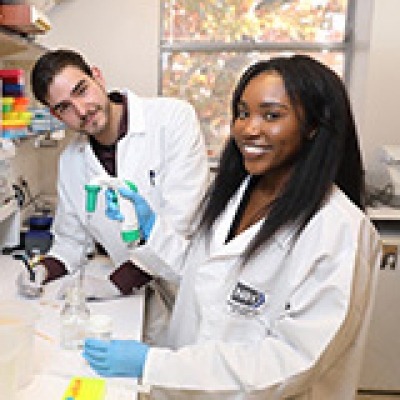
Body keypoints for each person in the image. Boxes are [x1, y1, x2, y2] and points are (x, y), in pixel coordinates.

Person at [83, 55, 381, 399]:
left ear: (314, 125)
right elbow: (205, 278)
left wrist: (154, 364)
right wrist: (151, 234)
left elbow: (294, 361)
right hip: (191, 384)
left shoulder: (337, 229)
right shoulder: (237, 192)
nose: (249, 129)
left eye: (271, 115)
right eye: (242, 113)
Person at [17, 49, 210, 341]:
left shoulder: (172, 119)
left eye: (82, 91)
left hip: (195, 290)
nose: (81, 111)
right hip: (140, 302)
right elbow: (71, 242)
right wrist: (41, 271)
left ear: (98, 76)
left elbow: (182, 222)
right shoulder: (72, 161)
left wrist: (115, 284)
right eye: (64, 107)